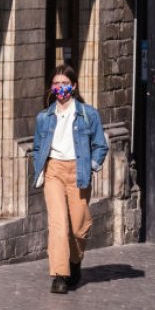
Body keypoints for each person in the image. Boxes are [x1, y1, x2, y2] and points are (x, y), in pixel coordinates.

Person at [32, 64, 109, 294]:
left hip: (79, 171)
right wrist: (41, 168)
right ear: (51, 87)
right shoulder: (44, 117)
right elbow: (37, 146)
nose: (60, 88)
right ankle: (59, 275)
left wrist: (91, 166)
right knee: (58, 224)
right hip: (54, 169)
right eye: (56, 84)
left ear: (73, 86)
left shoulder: (88, 114)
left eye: (65, 84)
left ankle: (75, 262)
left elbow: (100, 146)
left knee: (78, 227)